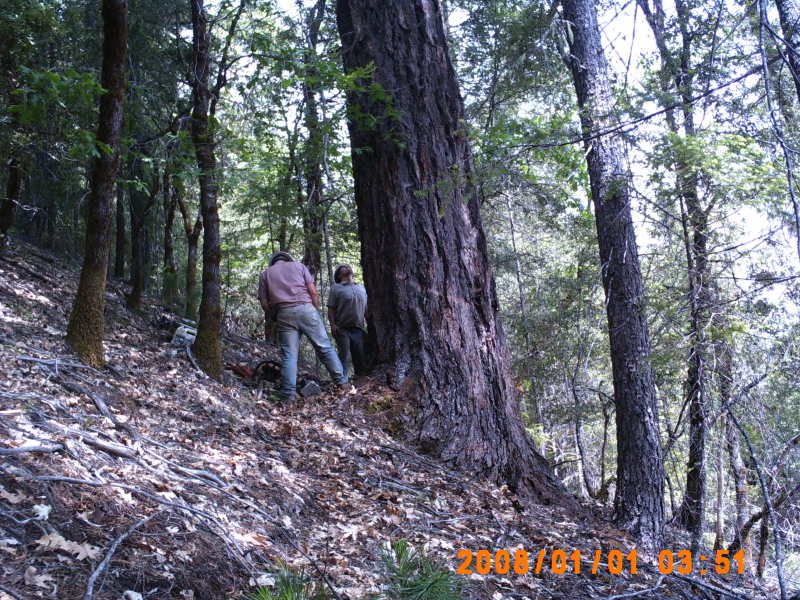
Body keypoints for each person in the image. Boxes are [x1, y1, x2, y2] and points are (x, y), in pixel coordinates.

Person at [258, 251, 348, 401]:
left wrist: (274, 315)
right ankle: (342, 384)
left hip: (284, 313)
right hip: (306, 309)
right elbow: (313, 292)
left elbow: (264, 303)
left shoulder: (265, 274)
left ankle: (288, 395)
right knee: (324, 347)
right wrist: (315, 310)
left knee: (289, 355)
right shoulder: (299, 266)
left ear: (273, 262)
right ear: (288, 259)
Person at [327, 264, 369, 378]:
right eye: (343, 268)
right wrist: (332, 325)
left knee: (360, 355)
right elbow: (331, 308)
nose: (347, 268)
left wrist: (368, 323)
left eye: (348, 267)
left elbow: (366, 308)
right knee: (345, 355)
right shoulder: (336, 288)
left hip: (358, 327)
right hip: (342, 328)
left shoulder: (361, 287)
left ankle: (360, 378)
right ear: (339, 275)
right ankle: (341, 380)